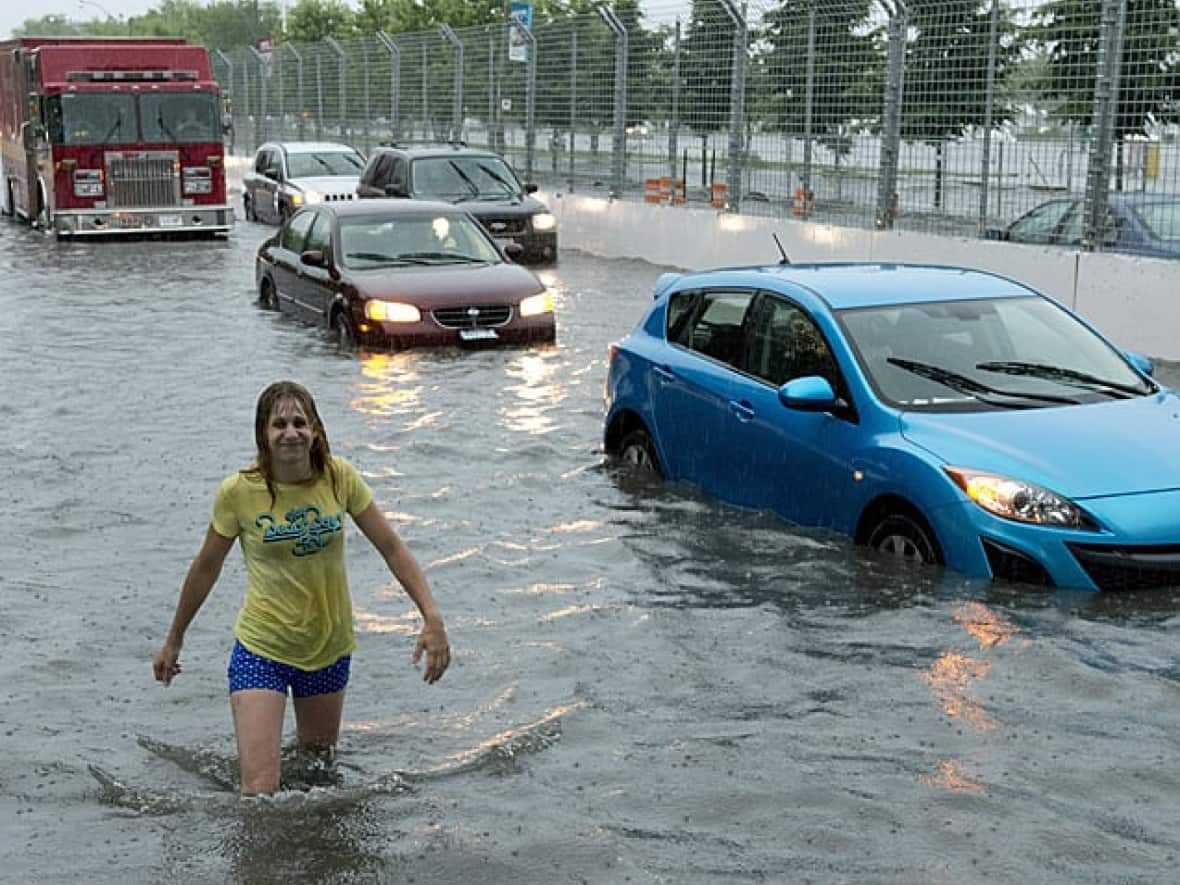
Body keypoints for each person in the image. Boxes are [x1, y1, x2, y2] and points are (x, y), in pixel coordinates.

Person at [152, 380, 450, 796]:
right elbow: (206, 567)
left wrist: (432, 617)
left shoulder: (339, 478)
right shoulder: (238, 492)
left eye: (299, 423)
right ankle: (259, 860)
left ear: (315, 431)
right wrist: (174, 641)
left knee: (316, 773)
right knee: (260, 792)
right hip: (263, 648)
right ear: (263, 436)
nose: (290, 433)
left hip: (328, 647)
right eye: (279, 424)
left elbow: (392, 547)